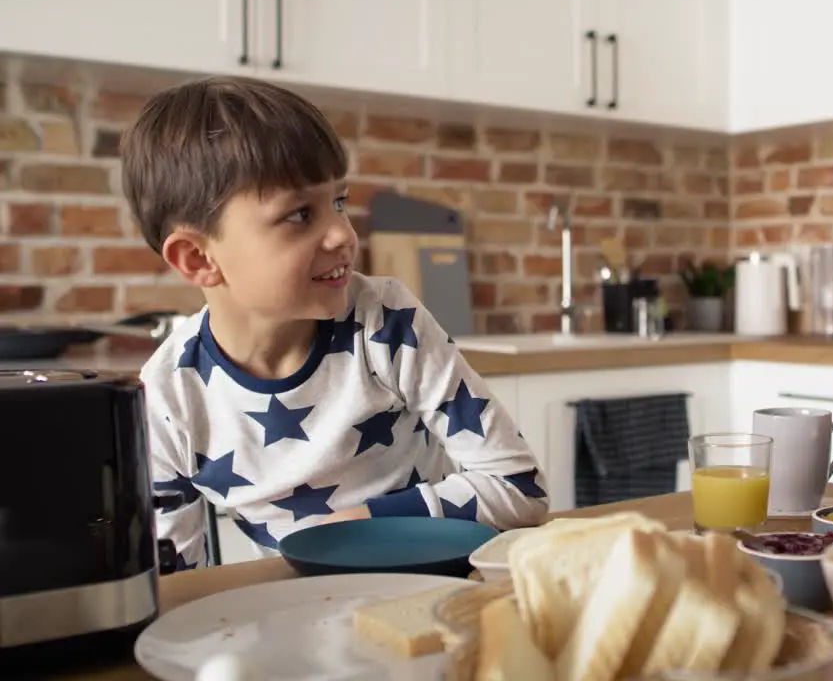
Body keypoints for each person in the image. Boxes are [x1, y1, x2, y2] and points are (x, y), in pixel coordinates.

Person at [121, 76, 549, 569]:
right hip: (302, 618)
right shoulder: (168, 397)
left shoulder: (386, 322)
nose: (343, 234)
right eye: (301, 214)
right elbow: (174, 586)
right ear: (197, 258)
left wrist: (358, 522)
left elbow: (519, 487)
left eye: (339, 202)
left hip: (435, 589)